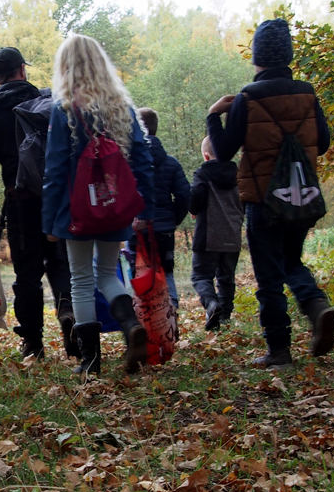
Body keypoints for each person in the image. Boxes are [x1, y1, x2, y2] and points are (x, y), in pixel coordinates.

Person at [206, 19, 334, 367]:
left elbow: (222, 153)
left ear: (257, 57)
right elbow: (323, 144)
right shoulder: (307, 93)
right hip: (302, 196)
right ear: (289, 55)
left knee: (268, 277)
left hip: (264, 199)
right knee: (291, 261)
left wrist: (213, 116)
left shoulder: (248, 98)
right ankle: (316, 305)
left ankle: (279, 350)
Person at [41, 34, 155, 376]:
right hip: (114, 207)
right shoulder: (121, 107)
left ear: (66, 67)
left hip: (76, 212)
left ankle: (90, 363)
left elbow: (55, 169)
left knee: (80, 278)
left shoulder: (63, 110)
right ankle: (131, 325)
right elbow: (142, 159)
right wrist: (144, 209)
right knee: (107, 273)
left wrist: (49, 222)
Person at [0, 46, 75, 360]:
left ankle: (32, 342)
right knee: (61, 265)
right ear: (22, 70)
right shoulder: (51, 104)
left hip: (20, 204)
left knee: (27, 275)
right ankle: (69, 314)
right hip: (57, 201)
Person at [136, 107, 190, 307]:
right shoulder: (171, 163)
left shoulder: (128, 162)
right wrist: (172, 219)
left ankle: (145, 317)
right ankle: (171, 310)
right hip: (164, 229)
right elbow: (184, 195)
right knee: (166, 270)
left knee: (139, 272)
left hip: (137, 229)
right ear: (156, 129)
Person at [189, 135, 243, 331]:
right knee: (226, 278)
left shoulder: (203, 173)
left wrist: (194, 209)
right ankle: (225, 316)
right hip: (232, 234)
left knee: (200, 276)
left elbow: (195, 195)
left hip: (208, 234)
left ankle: (212, 305)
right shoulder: (239, 174)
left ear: (206, 156)